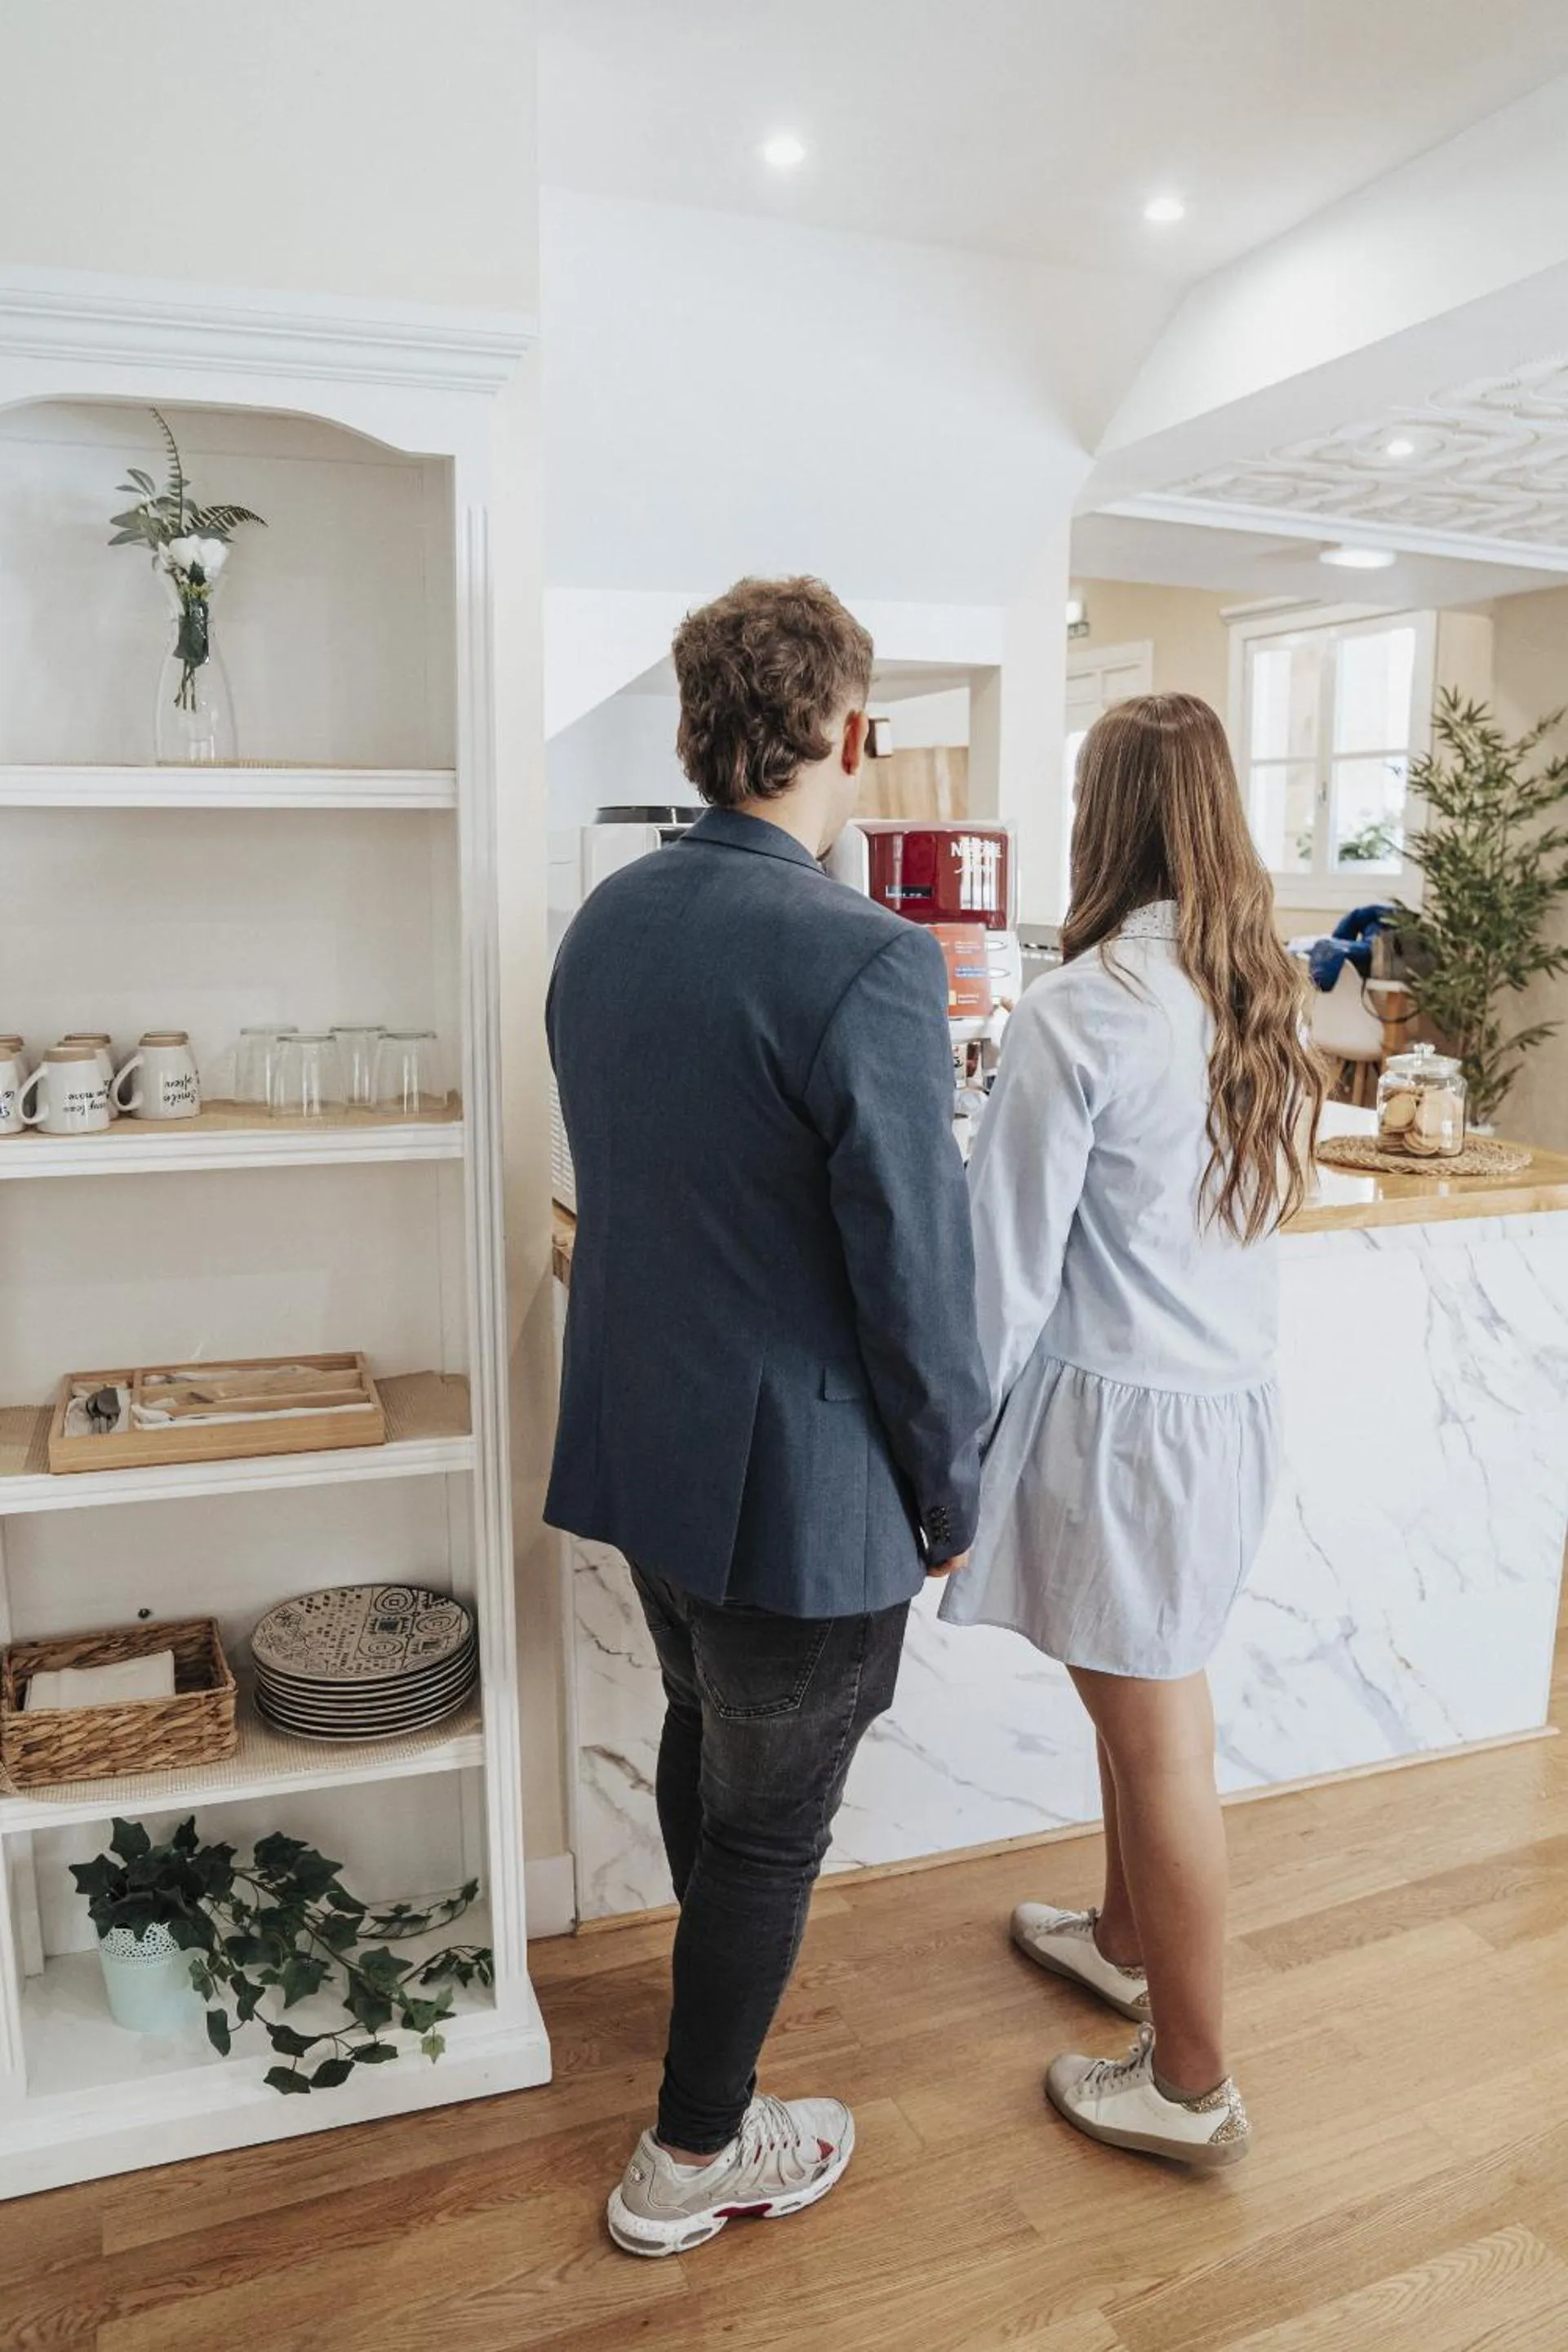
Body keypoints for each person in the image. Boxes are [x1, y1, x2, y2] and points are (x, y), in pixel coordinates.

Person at [547, 576, 989, 2256]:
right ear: (848, 733)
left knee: (703, 1744)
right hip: (798, 1492)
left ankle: (707, 2053)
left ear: (694, 730)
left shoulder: (607, 923)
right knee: (772, 1825)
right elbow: (915, 1281)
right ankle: (690, 2153)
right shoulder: (864, 959)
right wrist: (951, 1495)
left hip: (650, 1449)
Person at [941, 691, 1322, 2169]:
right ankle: (1117, 1938)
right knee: (1135, 1704)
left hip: (1121, 1433)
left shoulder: (1083, 1007)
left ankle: (1191, 2084)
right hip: (1220, 1418)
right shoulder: (1259, 992)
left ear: (1104, 816)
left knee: (1159, 1737)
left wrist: (945, 1462)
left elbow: (1003, 1279)